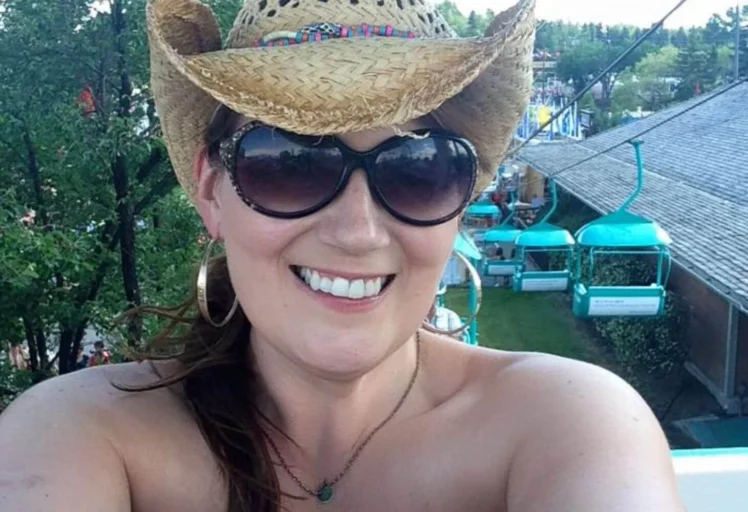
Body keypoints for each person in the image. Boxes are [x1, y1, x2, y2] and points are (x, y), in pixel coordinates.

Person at [0, 1, 685, 511]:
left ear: (460, 203)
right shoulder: (77, 435)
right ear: (212, 192)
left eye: (420, 169)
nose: (358, 231)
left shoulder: (568, 424)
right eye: (290, 163)